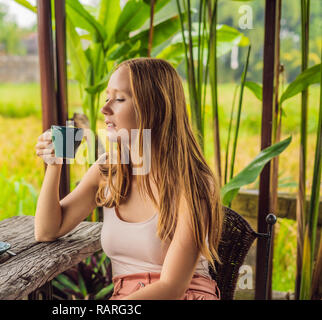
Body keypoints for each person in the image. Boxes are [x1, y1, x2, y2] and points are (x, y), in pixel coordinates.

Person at [34, 57, 223, 300]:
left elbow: (172, 288)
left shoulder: (193, 184)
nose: (105, 109)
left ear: (154, 107)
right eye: (107, 98)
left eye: (120, 99)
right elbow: (48, 230)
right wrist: (55, 164)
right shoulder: (108, 171)